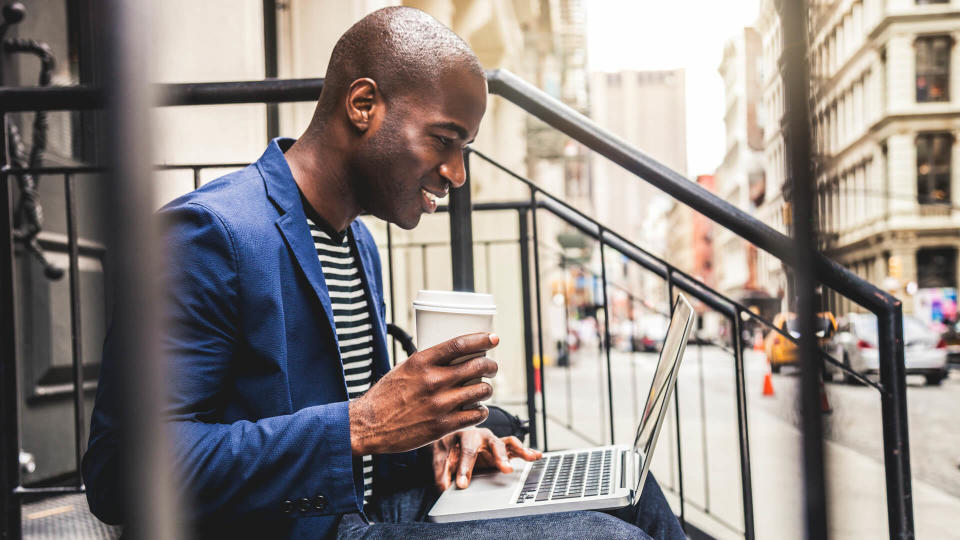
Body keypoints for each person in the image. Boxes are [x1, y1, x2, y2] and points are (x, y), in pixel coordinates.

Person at [82, 7, 684, 539]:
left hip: (369, 508)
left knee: (632, 490)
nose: (457, 174)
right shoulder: (208, 235)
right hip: (302, 528)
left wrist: (435, 442)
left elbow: (360, 438)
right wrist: (364, 423)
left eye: (465, 149)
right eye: (444, 140)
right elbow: (120, 474)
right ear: (363, 105)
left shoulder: (357, 242)